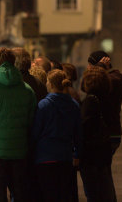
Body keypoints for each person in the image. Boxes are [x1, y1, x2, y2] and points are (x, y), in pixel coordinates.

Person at [0, 47, 36, 202]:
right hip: (20, 151)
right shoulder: (27, 90)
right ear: (13, 62)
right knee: (20, 193)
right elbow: (31, 121)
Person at [32, 69, 81, 202]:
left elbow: (36, 132)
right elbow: (78, 134)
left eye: (47, 82)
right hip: (65, 157)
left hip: (45, 158)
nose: (46, 84)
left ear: (52, 84)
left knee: (48, 195)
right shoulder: (74, 106)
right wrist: (76, 154)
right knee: (63, 195)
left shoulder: (44, 105)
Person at [87, 50, 122, 201]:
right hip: (111, 132)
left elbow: (91, 88)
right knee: (104, 173)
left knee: (102, 175)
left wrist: (99, 69)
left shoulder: (112, 81)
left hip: (108, 133)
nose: (88, 70)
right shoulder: (114, 79)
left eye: (90, 66)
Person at [79, 67, 114, 202]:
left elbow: (84, 126)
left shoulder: (90, 100)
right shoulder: (107, 99)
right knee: (103, 189)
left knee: (92, 192)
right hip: (104, 150)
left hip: (90, 153)